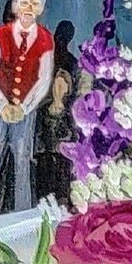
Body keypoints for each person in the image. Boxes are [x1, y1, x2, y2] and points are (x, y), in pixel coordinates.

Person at [0, 0, 54, 214]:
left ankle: (22, 218)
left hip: (25, 114)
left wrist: (25, 108)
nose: (29, 8)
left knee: (22, 164)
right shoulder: (1, 34)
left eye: (34, 3)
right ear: (16, 6)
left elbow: (43, 79)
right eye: (24, 3)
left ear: (40, 9)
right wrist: (1, 104)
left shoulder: (46, 39)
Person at [35, 70, 75, 204]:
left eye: (62, 85)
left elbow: (72, 136)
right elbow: (38, 135)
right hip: (44, 162)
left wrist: (60, 146)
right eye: (56, 84)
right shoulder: (42, 109)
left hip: (62, 163)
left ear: (68, 89)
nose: (59, 89)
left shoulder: (71, 112)